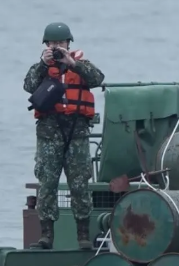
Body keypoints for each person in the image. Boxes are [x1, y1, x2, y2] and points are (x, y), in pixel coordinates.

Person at [24, 22, 105, 250]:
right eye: (53, 44)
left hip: (76, 135)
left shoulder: (81, 65)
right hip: (49, 136)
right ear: (46, 45)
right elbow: (28, 85)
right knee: (47, 184)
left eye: (61, 43)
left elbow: (98, 79)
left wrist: (73, 64)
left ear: (69, 44)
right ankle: (46, 236)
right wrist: (43, 63)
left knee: (79, 184)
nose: (58, 47)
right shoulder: (40, 69)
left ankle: (82, 236)